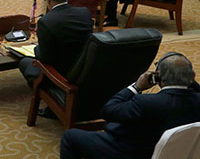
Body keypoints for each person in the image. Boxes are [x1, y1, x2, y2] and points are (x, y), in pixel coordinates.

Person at [60, 53, 200, 159]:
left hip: (132, 153)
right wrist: (186, 78)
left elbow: (108, 111)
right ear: (192, 76)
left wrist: (136, 87)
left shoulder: (145, 102)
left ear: (158, 77)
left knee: (70, 137)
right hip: (177, 152)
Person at [19, 0, 93, 88]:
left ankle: (44, 92)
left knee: (24, 62)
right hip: (83, 70)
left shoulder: (46, 22)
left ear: (48, 0)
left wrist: (36, 49)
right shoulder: (85, 13)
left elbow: (44, 58)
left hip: (59, 75)